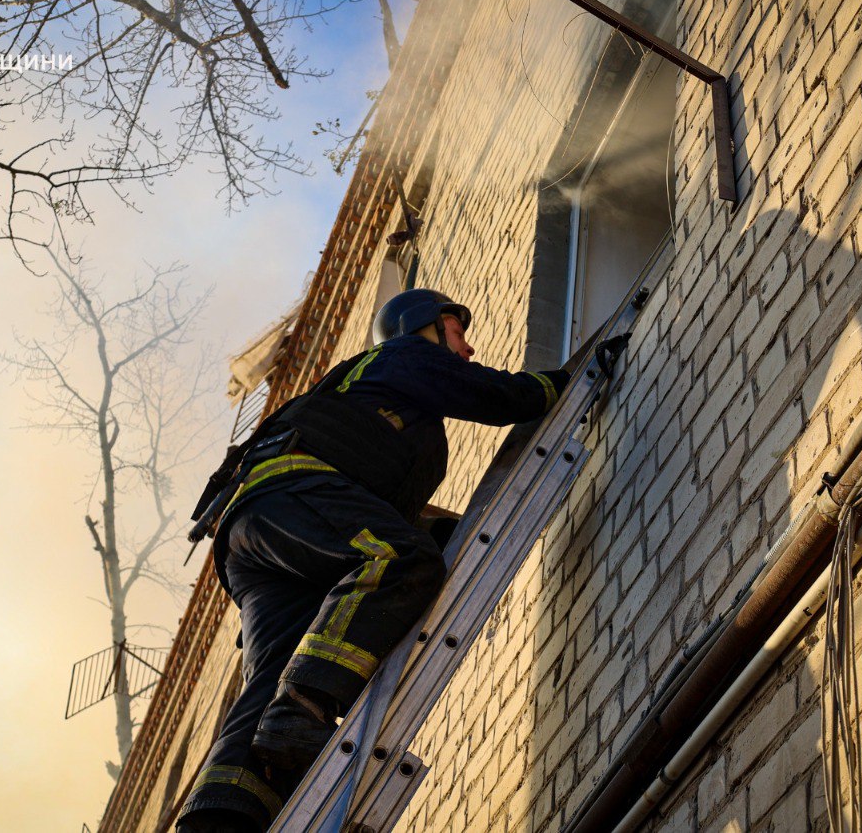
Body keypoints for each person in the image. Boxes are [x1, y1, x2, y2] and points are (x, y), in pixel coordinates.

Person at [177, 289, 570, 833]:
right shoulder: (400, 356)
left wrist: (443, 528)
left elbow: (374, 502)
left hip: (259, 534)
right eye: (458, 331)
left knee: (272, 674)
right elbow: (493, 395)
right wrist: (560, 381)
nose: (469, 346)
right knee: (400, 559)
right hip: (291, 496)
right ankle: (306, 707)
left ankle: (222, 817)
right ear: (424, 326)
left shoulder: (375, 405)